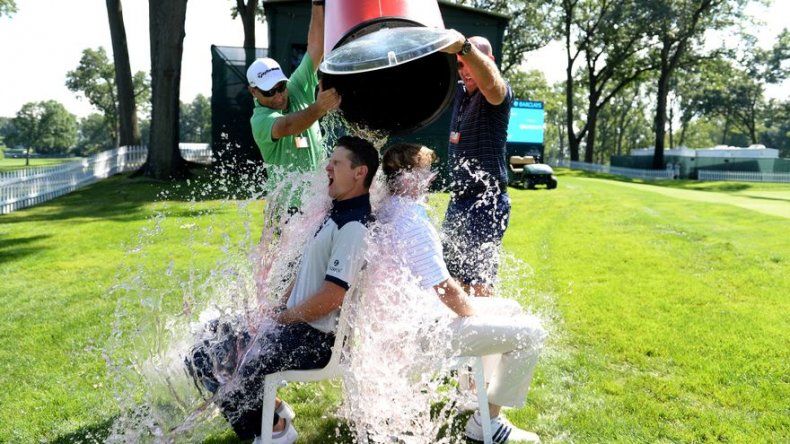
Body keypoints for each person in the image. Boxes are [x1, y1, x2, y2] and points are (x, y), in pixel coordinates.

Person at [186, 136, 379, 444]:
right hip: (296, 328)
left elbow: (332, 297)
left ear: (360, 172)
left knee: (223, 361)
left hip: (314, 340)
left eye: (336, 163)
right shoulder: (337, 212)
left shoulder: (354, 227)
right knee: (204, 347)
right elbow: (306, 272)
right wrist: (277, 308)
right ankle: (271, 413)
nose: (327, 167)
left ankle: (273, 430)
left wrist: (283, 318)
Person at [378, 143, 547, 444]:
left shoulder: (388, 208)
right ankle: (487, 422)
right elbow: (446, 290)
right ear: (407, 178)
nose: (431, 179)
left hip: (408, 321)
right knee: (530, 333)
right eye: (425, 173)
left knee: (510, 308)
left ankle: (473, 398)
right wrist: (475, 313)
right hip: (424, 332)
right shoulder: (412, 221)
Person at [440, 33, 515, 297]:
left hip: (487, 201)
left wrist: (465, 48)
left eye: (472, 61)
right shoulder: (461, 92)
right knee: (450, 279)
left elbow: (492, 84)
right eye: (460, 64)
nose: (465, 70)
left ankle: (486, 323)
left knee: (479, 284)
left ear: (489, 59)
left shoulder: (498, 91)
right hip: (459, 200)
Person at [246, 1, 341, 183]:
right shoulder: (259, 120)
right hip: (288, 201)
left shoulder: (295, 86)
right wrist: (319, 108)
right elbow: (288, 126)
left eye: (281, 87)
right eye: (269, 92)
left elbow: (316, 48)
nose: (278, 95)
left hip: (319, 195)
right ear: (253, 91)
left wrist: (317, 3)